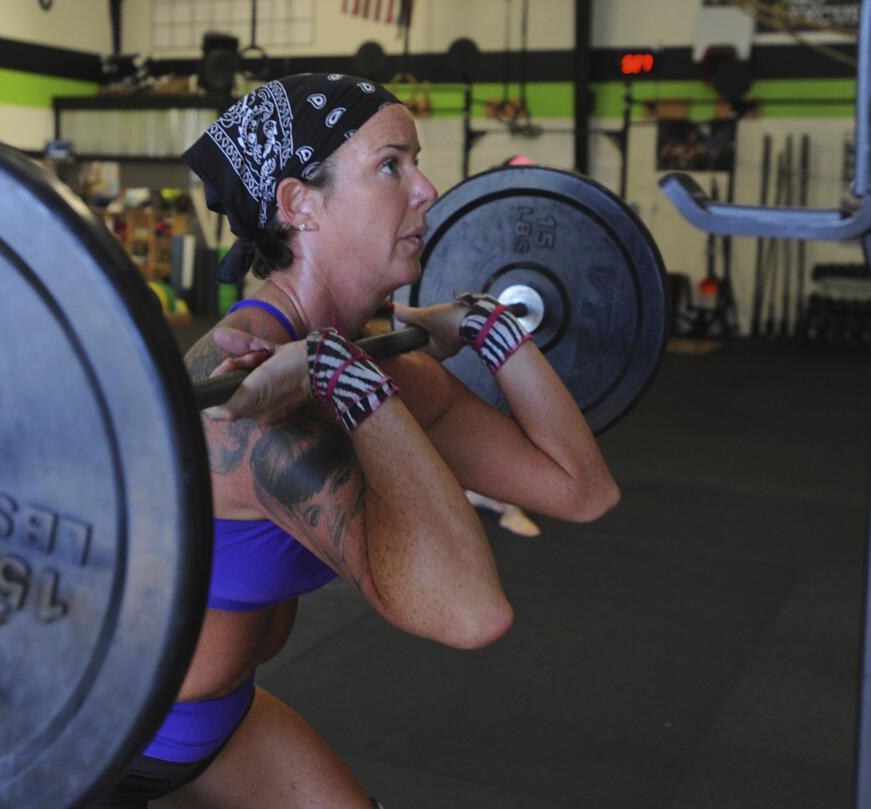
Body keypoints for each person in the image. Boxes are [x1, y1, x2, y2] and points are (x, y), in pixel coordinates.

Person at [89, 74, 619, 809]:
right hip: (97, 743)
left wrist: (488, 324)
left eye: (416, 162)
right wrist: (344, 375)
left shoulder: (367, 363)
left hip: (221, 719)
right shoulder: (245, 398)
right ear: (299, 204)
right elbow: (472, 612)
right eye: (390, 165)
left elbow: (583, 490)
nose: (428, 188)